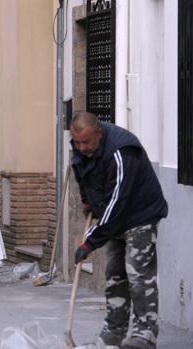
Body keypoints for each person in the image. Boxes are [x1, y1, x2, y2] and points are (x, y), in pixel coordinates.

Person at [70, 111, 167, 349]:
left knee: (138, 275)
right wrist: (87, 203)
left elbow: (117, 203)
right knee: (115, 275)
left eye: (87, 142)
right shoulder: (81, 148)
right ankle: (114, 332)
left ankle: (144, 334)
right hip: (113, 216)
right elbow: (84, 177)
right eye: (77, 142)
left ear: (99, 133)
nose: (81, 147)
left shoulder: (122, 151)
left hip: (140, 215)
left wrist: (89, 243)